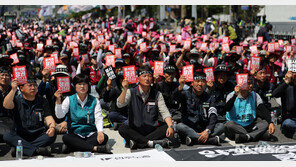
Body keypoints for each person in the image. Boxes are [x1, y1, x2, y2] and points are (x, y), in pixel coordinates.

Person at [117, 66, 174, 149]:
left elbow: (164, 111)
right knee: (122, 129)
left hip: (152, 129)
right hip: (135, 129)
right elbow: (120, 104)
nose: (147, 78)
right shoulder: (131, 92)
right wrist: (125, 89)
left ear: (152, 79)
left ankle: (139, 142)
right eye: (144, 76)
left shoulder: (157, 94)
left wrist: (170, 126)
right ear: (138, 79)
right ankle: (149, 143)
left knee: (166, 127)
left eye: (149, 76)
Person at [55, 73, 110, 153]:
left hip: (90, 133)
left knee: (104, 137)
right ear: (75, 86)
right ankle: (95, 148)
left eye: (84, 84)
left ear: (88, 86)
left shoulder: (95, 100)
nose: (82, 86)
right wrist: (58, 101)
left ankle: (74, 147)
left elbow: (98, 118)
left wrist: (100, 132)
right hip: (75, 133)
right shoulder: (69, 99)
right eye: (79, 84)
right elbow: (60, 115)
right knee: (66, 138)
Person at [3, 77, 56, 157]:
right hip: (21, 135)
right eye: (30, 85)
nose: (33, 88)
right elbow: (6, 105)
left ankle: (22, 149)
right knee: (7, 136)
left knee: (52, 135)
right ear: (21, 88)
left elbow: (48, 117)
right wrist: (13, 90)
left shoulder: (42, 100)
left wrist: (52, 127)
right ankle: (37, 150)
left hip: (38, 135)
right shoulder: (16, 100)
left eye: (35, 85)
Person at [175, 72, 224, 146]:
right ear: (192, 82)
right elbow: (174, 99)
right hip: (189, 128)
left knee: (221, 126)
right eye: (197, 81)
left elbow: (213, 115)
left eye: (203, 82)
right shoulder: (185, 94)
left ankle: (194, 139)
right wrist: (180, 86)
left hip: (204, 128)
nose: (200, 84)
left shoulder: (209, 97)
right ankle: (209, 140)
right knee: (179, 126)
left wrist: (207, 131)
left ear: (206, 83)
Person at [224, 77, 276, 143]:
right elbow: (227, 108)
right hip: (236, 125)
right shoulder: (231, 95)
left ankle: (247, 137)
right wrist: (235, 95)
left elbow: (263, 109)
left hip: (250, 125)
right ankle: (257, 135)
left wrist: (270, 122)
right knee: (228, 125)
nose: (251, 85)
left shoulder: (255, 95)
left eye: (251, 83)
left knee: (265, 123)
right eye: (248, 83)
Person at [272, 71, 296, 138]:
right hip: (290, 119)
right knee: (288, 123)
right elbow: (275, 94)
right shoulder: (286, 85)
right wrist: (286, 81)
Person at [0, 67, 14, 142]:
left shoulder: (14, 89)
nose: (4, 77)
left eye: (7, 75)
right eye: (2, 75)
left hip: (10, 119)